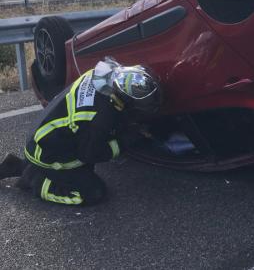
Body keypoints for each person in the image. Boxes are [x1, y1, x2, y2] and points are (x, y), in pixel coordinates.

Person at [0, 58, 161, 205]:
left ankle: (18, 166)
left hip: (44, 137)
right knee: (93, 193)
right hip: (48, 155)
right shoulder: (99, 120)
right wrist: (125, 142)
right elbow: (89, 154)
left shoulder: (101, 75)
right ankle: (36, 180)